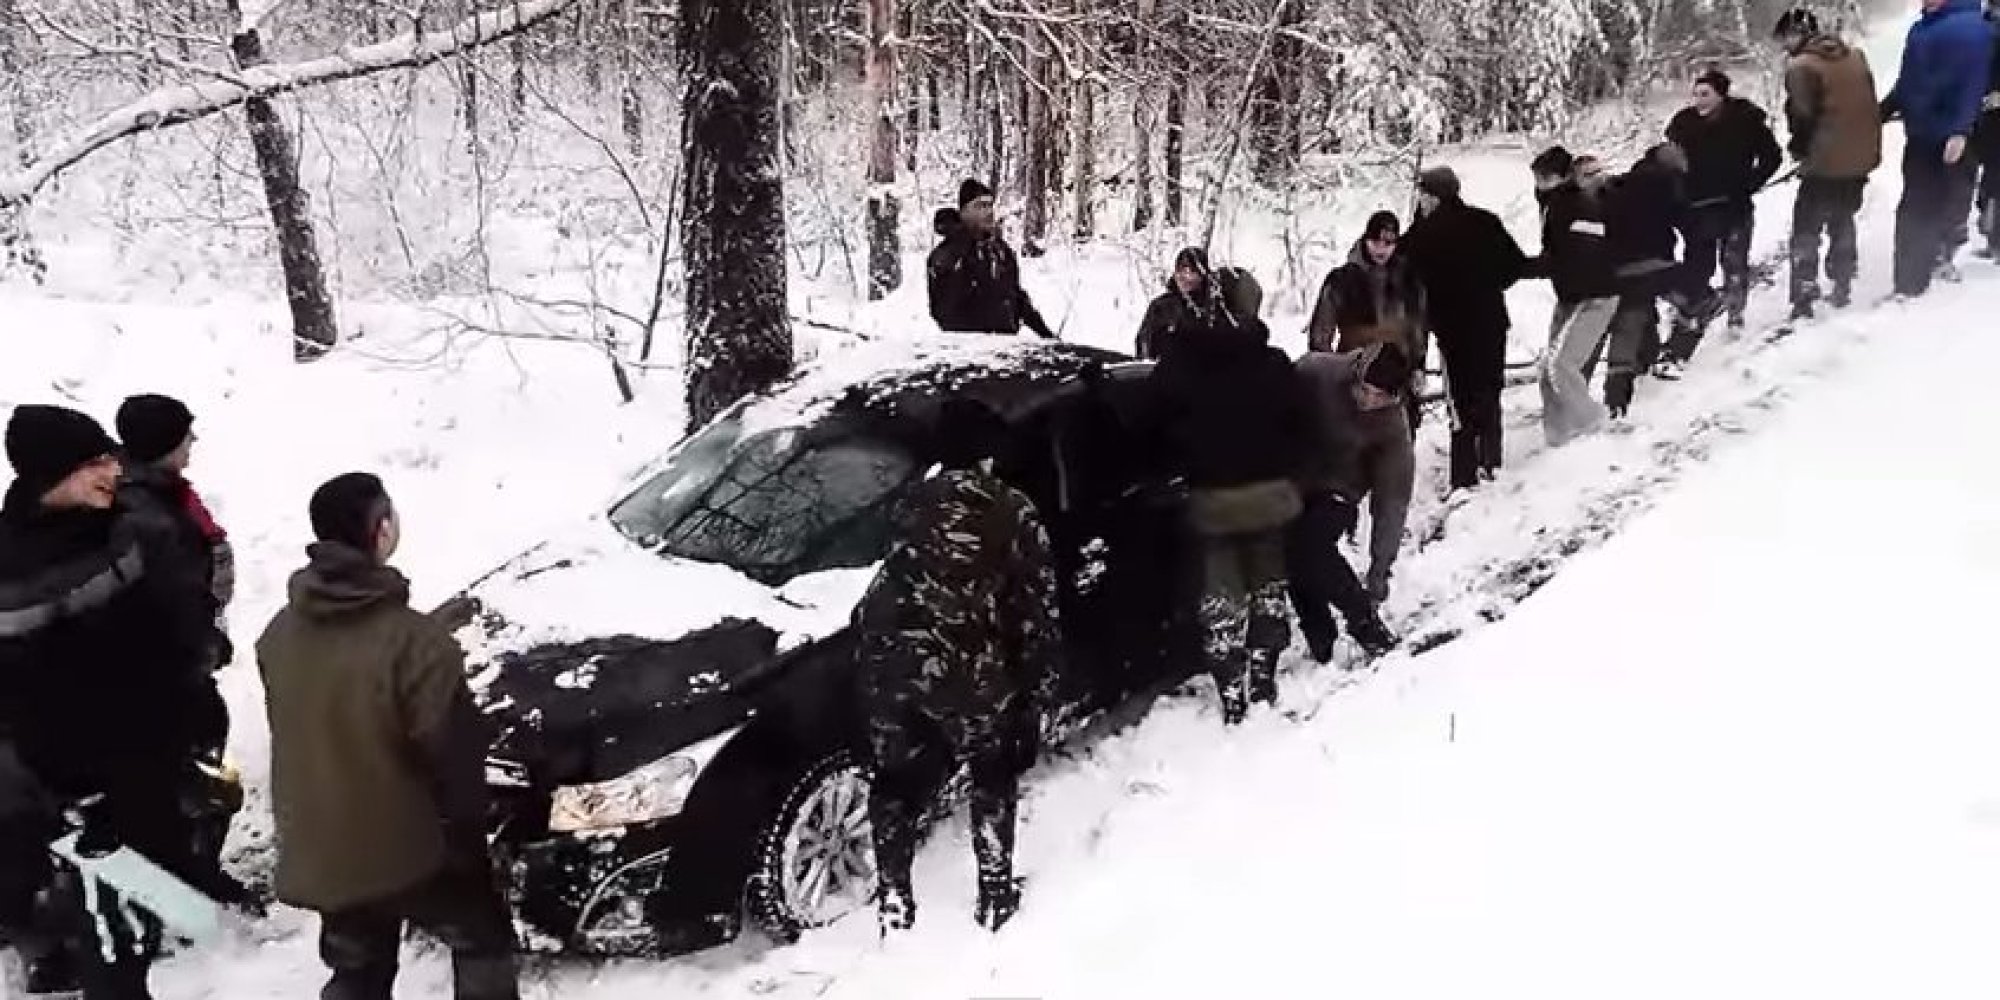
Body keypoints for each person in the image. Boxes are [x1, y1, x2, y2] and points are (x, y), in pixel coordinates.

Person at [255, 473, 519, 1000]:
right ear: (380, 531)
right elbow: (453, 757)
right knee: (482, 938)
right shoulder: (416, 643)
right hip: (406, 848)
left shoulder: (279, 633)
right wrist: (467, 846)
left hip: (321, 844)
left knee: (358, 966)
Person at [0, 404, 232, 1000]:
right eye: (95, 463)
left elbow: (181, 629)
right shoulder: (16, 561)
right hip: (67, 780)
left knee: (135, 921)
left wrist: (199, 668)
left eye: (111, 456)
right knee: (111, 933)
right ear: (53, 475)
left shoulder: (129, 532)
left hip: (147, 759)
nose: (113, 470)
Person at [855, 398, 1058, 935]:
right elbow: (1037, 606)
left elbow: (882, 576)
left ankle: (894, 898)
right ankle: (994, 898)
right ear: (987, 454)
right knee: (991, 774)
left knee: (895, 781)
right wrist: (1038, 681)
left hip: (892, 662)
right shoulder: (1011, 508)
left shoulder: (903, 502)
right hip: (972, 668)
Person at [1147, 267, 1312, 725]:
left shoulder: (1181, 361)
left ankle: (1229, 680)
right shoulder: (1273, 362)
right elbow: (1300, 424)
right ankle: (1264, 668)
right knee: (1268, 582)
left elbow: (1153, 419)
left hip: (1211, 499)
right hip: (1269, 494)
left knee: (1221, 590)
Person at [1401, 166, 1531, 491]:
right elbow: (1513, 267)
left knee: (1460, 401)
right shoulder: (1485, 222)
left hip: (1451, 330)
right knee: (1489, 391)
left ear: (1430, 196)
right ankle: (1491, 461)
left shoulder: (1419, 237)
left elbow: (1403, 282)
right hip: (1490, 321)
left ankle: (1465, 475)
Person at [1290, 341, 1407, 663]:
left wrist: (1379, 570)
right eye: (1366, 391)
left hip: (1342, 487)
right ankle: (1319, 636)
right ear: (1356, 376)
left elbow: (1392, 501)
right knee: (1289, 549)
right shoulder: (1317, 372)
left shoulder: (1392, 428)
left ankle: (1363, 620)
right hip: (1295, 476)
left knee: (1310, 543)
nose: (1370, 401)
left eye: (1381, 397)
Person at [1776, 7, 1885, 317]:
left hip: (1824, 161)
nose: (1783, 46)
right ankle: (1843, 282)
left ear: (1795, 35)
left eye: (1784, 38)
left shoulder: (1801, 66)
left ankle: (1804, 294)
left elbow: (1802, 116)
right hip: (1860, 158)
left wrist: (1799, 150)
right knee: (1842, 217)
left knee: (1806, 225)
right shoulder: (1854, 55)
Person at [1881, 0, 1994, 297]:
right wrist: (1882, 110)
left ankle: (1917, 277)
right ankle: (1915, 275)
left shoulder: (1971, 31)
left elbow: (1973, 81)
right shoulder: (1924, 28)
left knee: (1930, 203)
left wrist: (1960, 129)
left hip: (1946, 136)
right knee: (1920, 203)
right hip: (1923, 131)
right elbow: (1908, 81)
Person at [1665, 69, 1783, 332]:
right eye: (1695, 95)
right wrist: (1678, 193)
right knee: (1697, 266)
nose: (1699, 101)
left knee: (1734, 262)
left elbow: (1772, 157)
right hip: (1697, 209)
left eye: (1705, 94)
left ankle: (1735, 317)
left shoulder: (1745, 121)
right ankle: (1692, 315)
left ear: (1721, 94)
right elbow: (1670, 164)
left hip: (1734, 205)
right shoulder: (1683, 126)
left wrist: (1750, 183)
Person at [1304, 210, 1428, 432]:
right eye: (1376, 241)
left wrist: (1418, 366)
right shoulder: (1342, 280)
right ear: (1365, 240)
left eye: (1389, 242)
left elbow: (1417, 326)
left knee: (1397, 451)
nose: (1381, 249)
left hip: (1398, 377)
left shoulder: (1409, 280)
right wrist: (1330, 375)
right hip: (1354, 374)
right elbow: (1321, 331)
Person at [1526, 145, 1615, 446]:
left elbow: (1574, 253)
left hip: (1593, 295)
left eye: (1544, 178)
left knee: (1560, 366)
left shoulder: (1573, 204)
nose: (1538, 184)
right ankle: (1557, 435)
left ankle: (1594, 425)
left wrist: (1526, 267)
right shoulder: (1555, 204)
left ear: (1562, 177)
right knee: (1548, 368)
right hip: (1571, 295)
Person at [1602, 143, 1695, 416]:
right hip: (1655, 264)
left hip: (1618, 267)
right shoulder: (1669, 182)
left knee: (1632, 320)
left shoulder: (1620, 184)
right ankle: (1674, 355)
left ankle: (1618, 396)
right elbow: (1688, 223)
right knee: (1700, 301)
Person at [928, 179, 1056, 339]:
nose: (988, 212)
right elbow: (944, 312)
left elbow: (1014, 296)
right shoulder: (947, 255)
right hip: (966, 351)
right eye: (980, 206)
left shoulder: (999, 250)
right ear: (964, 211)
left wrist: (1046, 335)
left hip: (1005, 347)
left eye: (990, 205)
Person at [1135, 246, 1217, 361]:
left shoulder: (1215, 306)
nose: (1185, 276)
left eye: (1192, 271)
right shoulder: (1161, 306)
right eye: (1180, 270)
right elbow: (1144, 343)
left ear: (1202, 275)